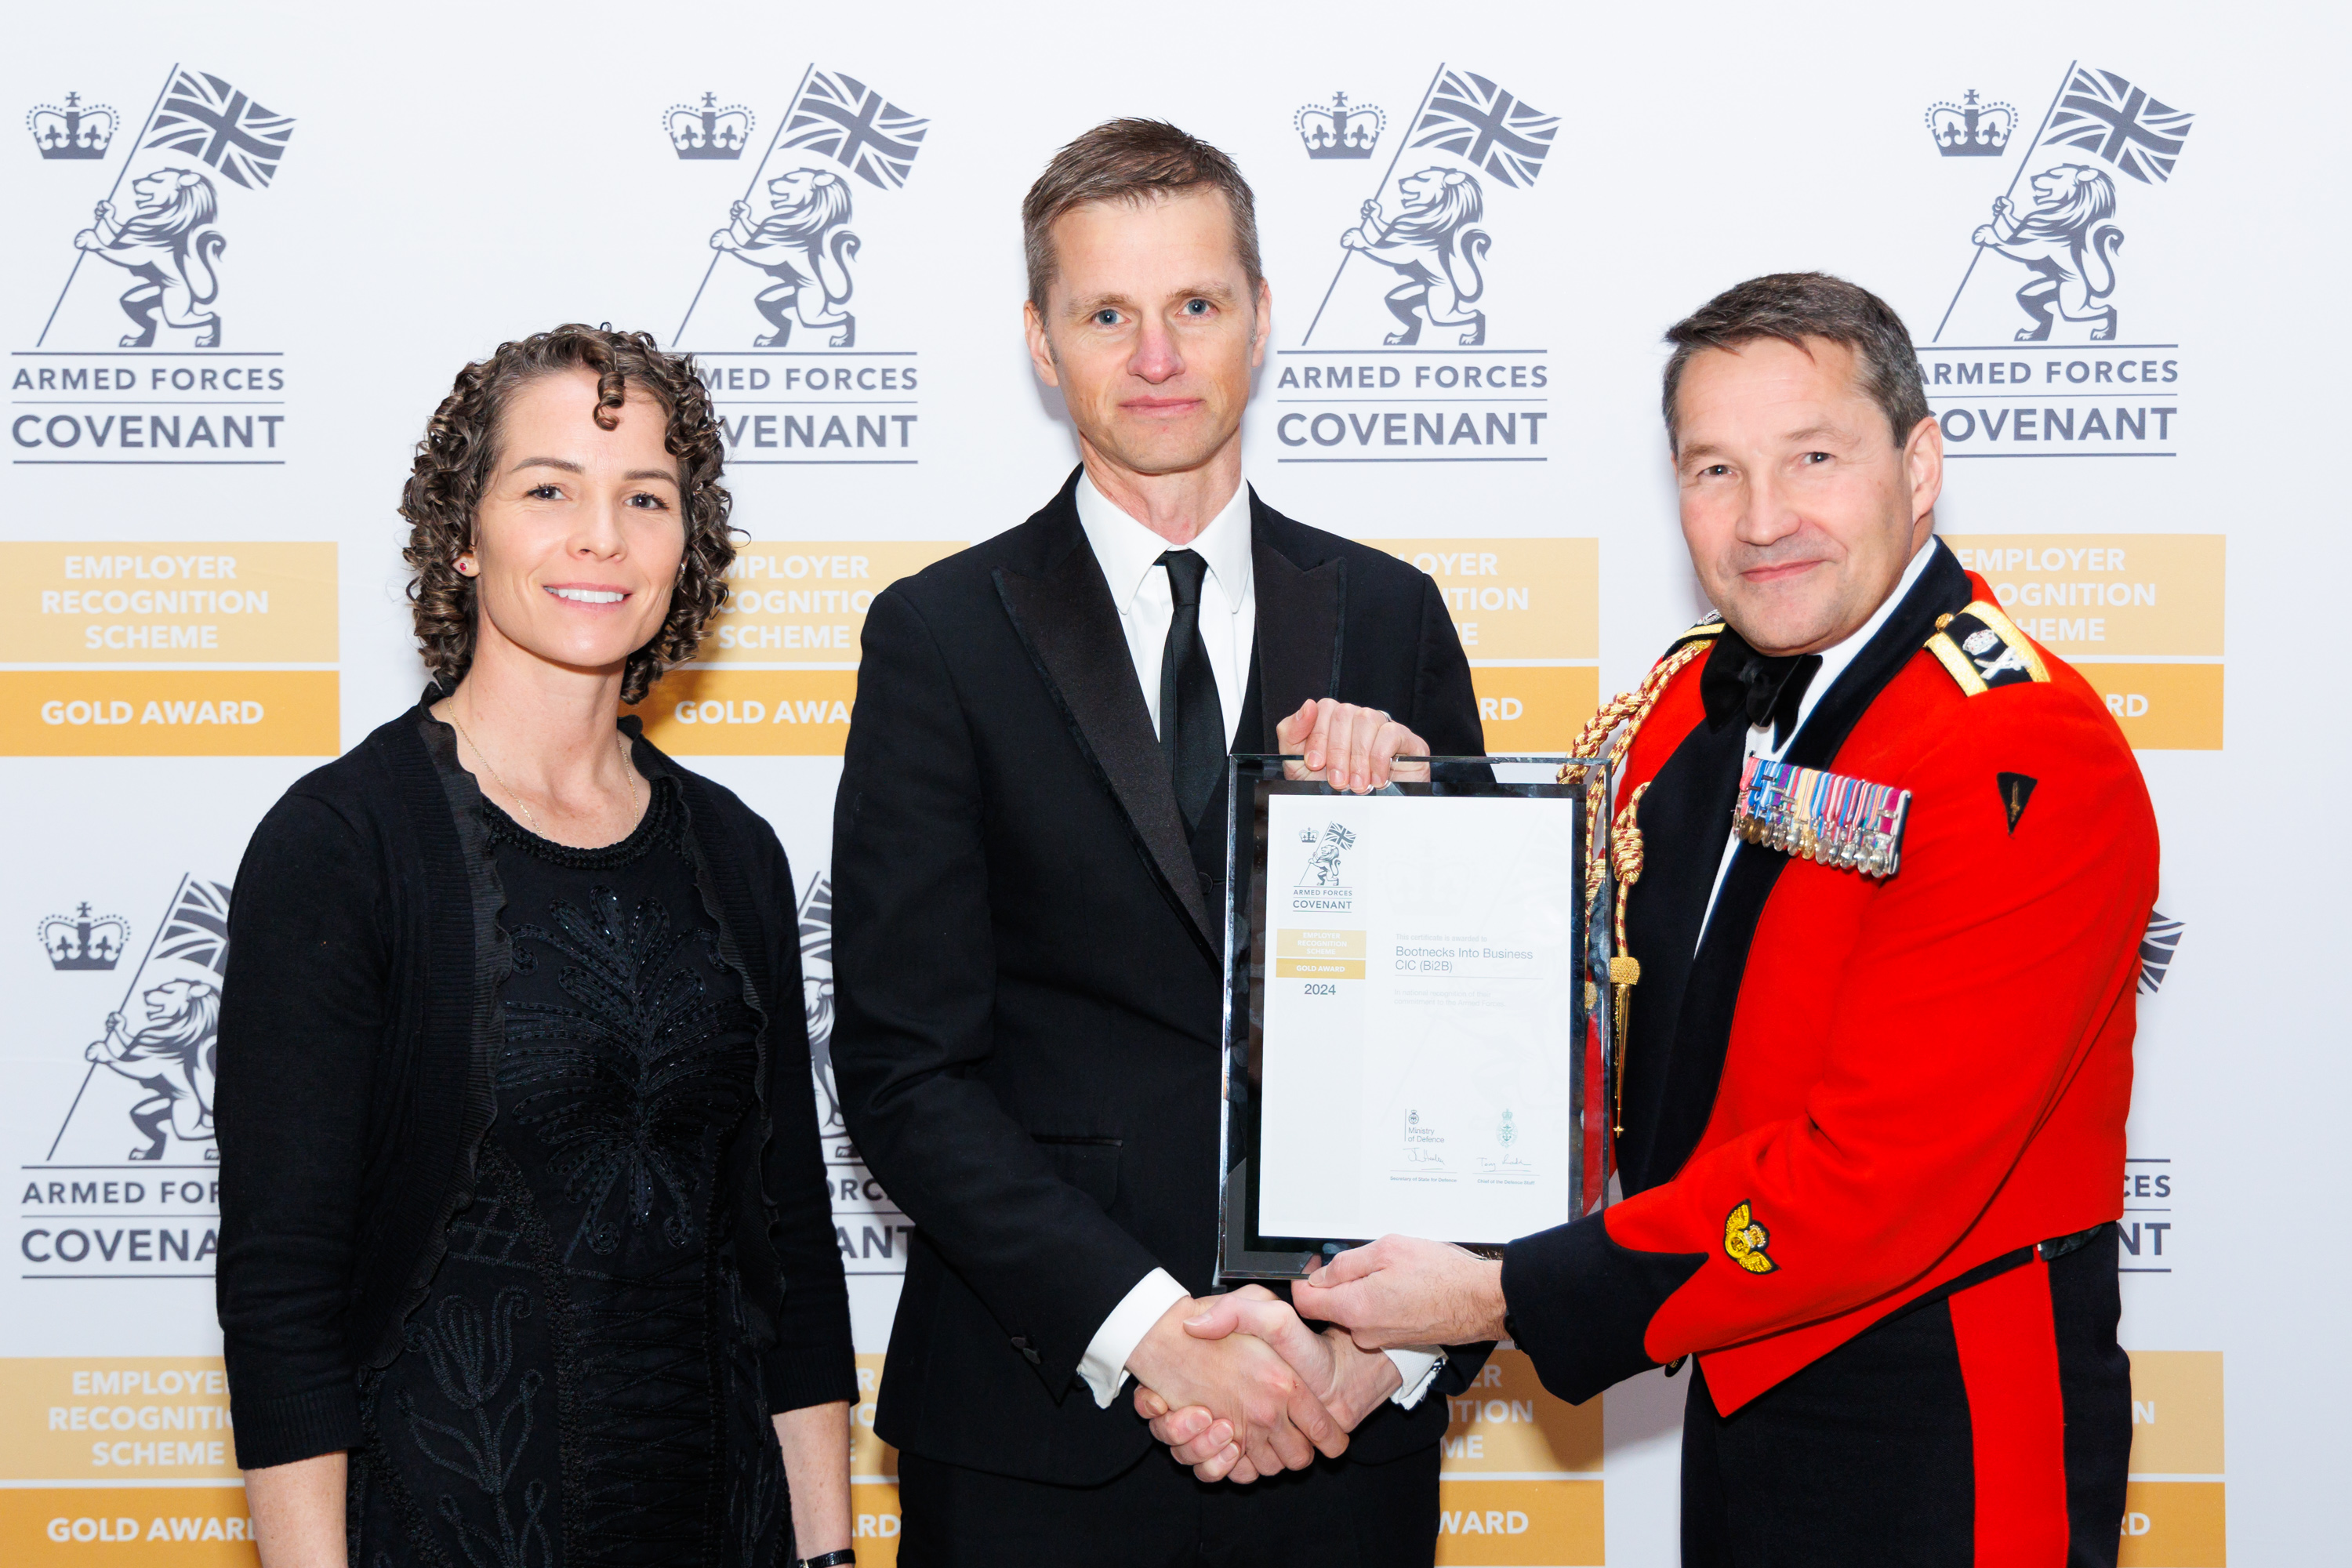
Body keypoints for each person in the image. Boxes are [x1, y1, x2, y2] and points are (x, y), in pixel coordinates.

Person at [1209, 274, 2158, 1566]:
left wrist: (1497, 1296)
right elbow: (1569, 1016)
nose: (1763, 520)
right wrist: (1408, 830)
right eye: (1716, 470)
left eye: (1813, 458)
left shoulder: (2019, 749)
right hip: (1738, 1375)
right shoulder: (1688, 700)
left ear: (1920, 466)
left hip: (1945, 1418)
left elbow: (1877, 1181)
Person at [827, 120, 1492, 1566]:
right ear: (1040, 340)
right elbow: (901, 1065)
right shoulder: (938, 636)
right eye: (1106, 315)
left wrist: (1380, 1359)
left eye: (1195, 303)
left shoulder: (1392, 617)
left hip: (1340, 1423)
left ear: (1261, 314)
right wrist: (1149, 1332)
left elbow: (1474, 1048)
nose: (1157, 356)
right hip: (1034, 1434)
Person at [216, 325, 858, 1568]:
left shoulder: (735, 851)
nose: (601, 537)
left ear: (687, 543)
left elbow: (789, 1252)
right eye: (549, 490)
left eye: (646, 498)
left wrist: (828, 1557)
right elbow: (282, 1297)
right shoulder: (344, 845)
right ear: (465, 532)